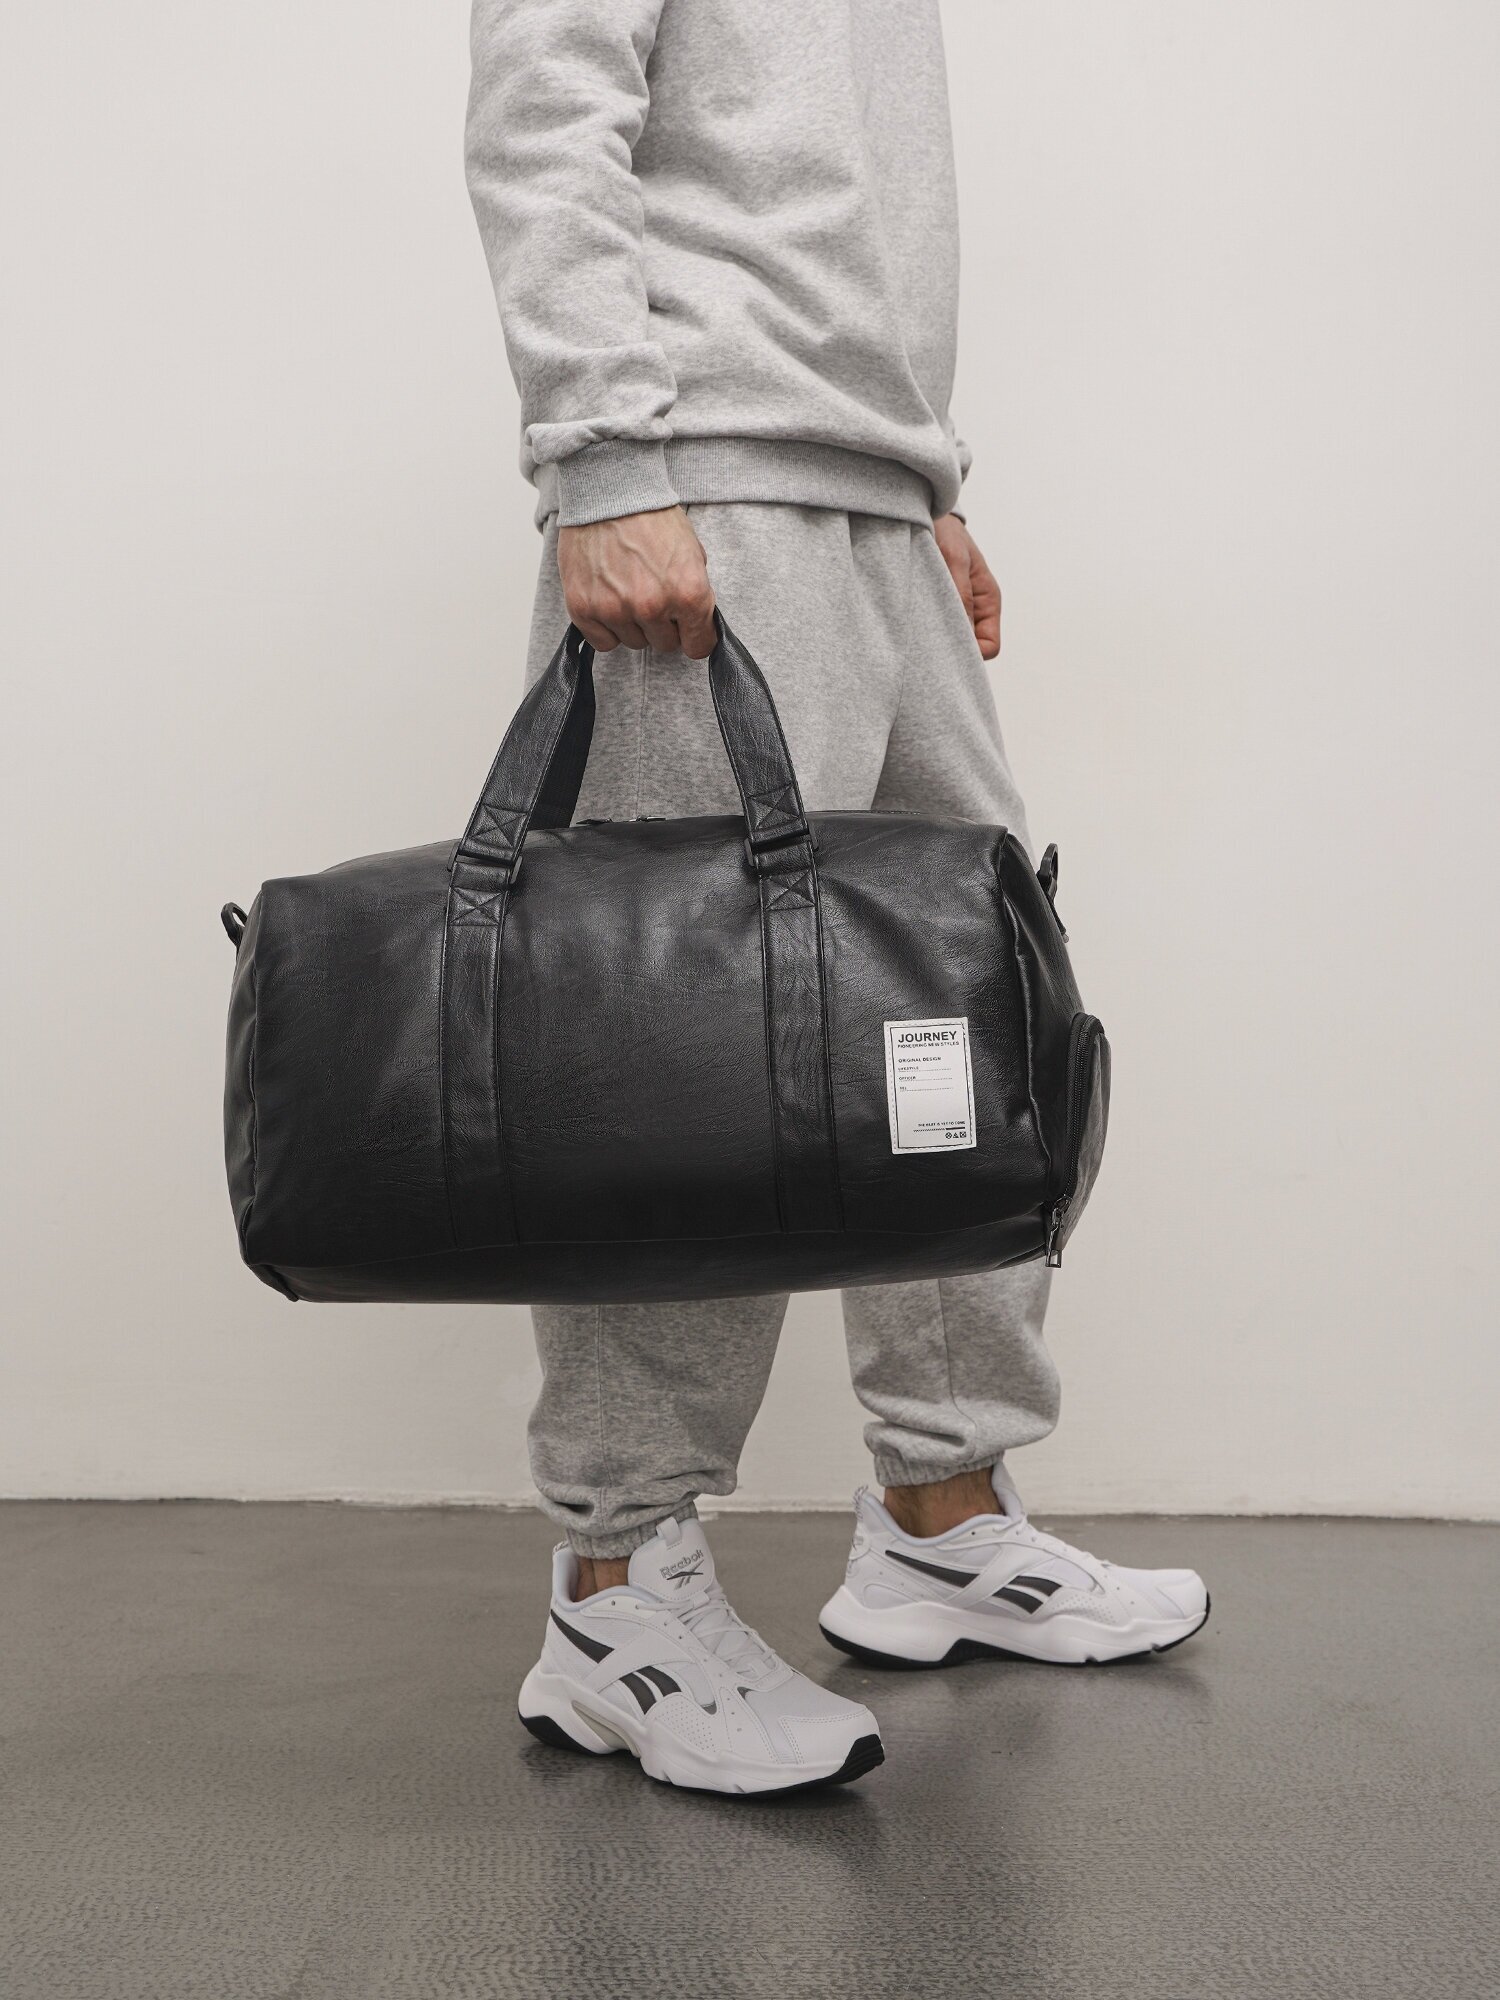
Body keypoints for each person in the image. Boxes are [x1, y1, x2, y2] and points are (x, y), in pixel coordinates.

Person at [465, 0, 1208, 1796]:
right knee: (675, 1052)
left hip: (874, 492)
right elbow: (547, 103)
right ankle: (615, 1593)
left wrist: (921, 479)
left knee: (965, 1016)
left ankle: (943, 1514)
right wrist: (603, 457)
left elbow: (846, 190)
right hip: (710, 480)